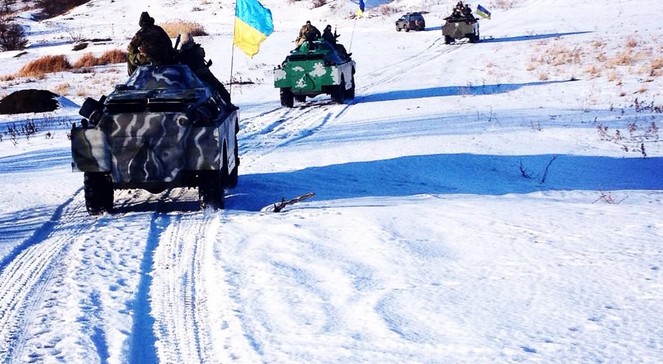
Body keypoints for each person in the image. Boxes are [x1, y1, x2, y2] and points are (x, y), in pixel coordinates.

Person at [176, 33, 236, 110]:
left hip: (188, 77)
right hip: (200, 75)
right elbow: (199, 61)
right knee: (218, 85)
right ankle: (228, 103)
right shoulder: (194, 50)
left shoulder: (180, 53)